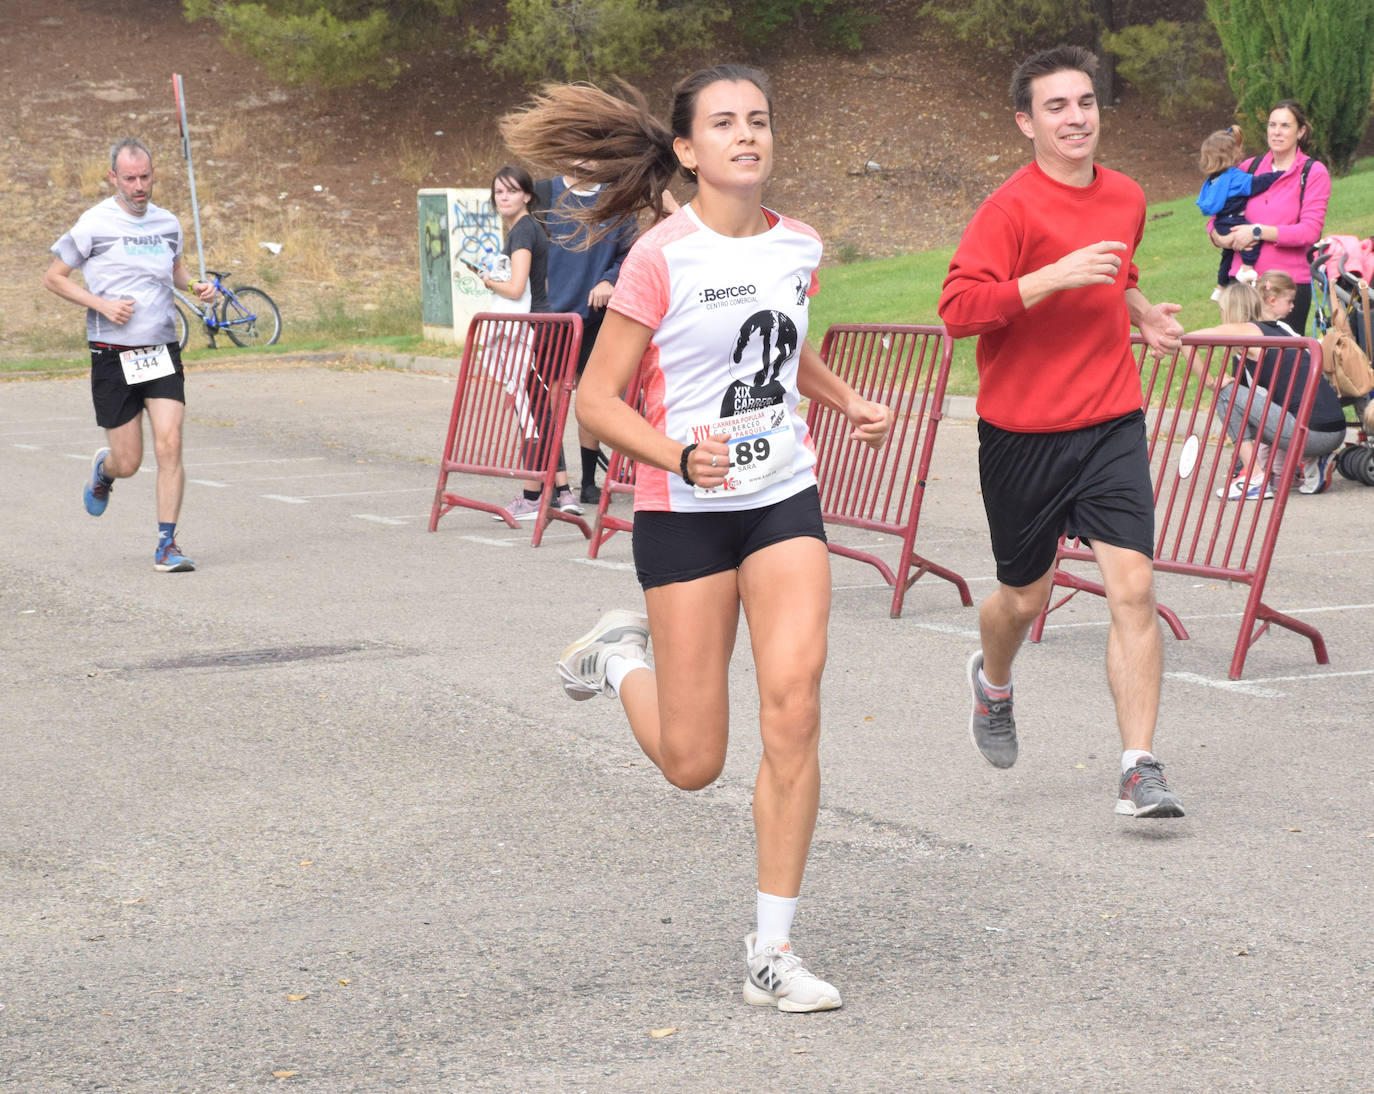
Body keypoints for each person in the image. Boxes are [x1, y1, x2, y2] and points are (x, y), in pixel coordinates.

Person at [501, 65, 891, 1010]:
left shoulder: (799, 244)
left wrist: (847, 401)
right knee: (693, 764)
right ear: (687, 150)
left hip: (781, 497)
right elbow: (595, 405)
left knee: (794, 704)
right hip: (683, 511)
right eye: (724, 124)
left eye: (758, 119)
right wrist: (677, 454)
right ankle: (615, 658)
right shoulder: (658, 258)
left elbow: (784, 345)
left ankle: (772, 951)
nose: (747, 135)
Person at [936, 45, 1186, 819]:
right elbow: (957, 310)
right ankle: (994, 682)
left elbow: (1120, 269)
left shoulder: (1127, 196)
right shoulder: (1009, 209)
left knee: (1134, 588)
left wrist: (1142, 313)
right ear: (1025, 122)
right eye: (1056, 107)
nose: (1076, 118)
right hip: (1023, 433)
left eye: (1085, 103)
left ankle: (1139, 766)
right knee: (1024, 596)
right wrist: (1048, 278)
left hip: (1111, 418)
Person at [43, 137, 217, 572]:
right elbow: (54, 277)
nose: (140, 186)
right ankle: (105, 470)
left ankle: (166, 545)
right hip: (111, 354)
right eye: (130, 178)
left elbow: (175, 272)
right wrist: (102, 305)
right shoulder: (93, 224)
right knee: (130, 461)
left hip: (160, 351)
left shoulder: (168, 223)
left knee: (171, 443)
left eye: (146, 177)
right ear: (113, 177)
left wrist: (197, 286)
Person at [478, 165, 581, 520]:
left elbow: (516, 288)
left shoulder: (523, 231)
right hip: (539, 327)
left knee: (534, 415)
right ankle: (555, 492)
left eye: (510, 191)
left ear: (526, 195)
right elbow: (542, 285)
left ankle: (546, 495)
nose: (503, 197)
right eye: (498, 192)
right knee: (536, 413)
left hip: (532, 332)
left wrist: (487, 281)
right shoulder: (530, 229)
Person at [534, 167, 636, 506]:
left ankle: (589, 482)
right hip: (551, 319)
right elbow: (524, 244)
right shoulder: (544, 193)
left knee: (592, 400)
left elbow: (630, 254)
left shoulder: (617, 199)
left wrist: (609, 279)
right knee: (547, 402)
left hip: (595, 319)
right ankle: (550, 481)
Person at [1193, 280, 1346, 500]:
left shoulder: (1245, 331)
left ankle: (1254, 478)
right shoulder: (1275, 330)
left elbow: (1187, 342)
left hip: (1311, 433)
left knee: (1226, 392)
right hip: (1334, 428)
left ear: (1229, 310)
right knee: (1235, 400)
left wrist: (1211, 382)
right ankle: (1313, 458)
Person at [1206, 100, 1330, 334]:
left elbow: (1310, 231)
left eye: (1285, 125)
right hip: (1242, 285)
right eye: (1272, 125)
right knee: (1242, 362)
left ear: (1300, 131)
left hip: (1285, 287)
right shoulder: (1248, 168)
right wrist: (1221, 239)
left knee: (1282, 364)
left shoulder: (1312, 172)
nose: (1276, 132)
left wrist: (1257, 231)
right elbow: (1215, 216)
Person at [1195, 126, 1282, 296]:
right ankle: (1247, 269)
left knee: (1227, 256)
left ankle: (1221, 286)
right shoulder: (1233, 177)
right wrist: (1278, 175)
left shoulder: (1214, 179)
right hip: (1234, 221)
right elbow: (1255, 184)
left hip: (1221, 223)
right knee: (1252, 240)